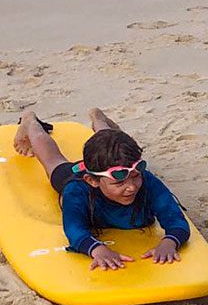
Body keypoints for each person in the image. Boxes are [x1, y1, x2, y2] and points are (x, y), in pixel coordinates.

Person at [13, 109, 190, 271]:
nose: (131, 187)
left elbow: (176, 220)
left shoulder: (147, 181)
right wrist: (97, 249)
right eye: (119, 184)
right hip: (77, 175)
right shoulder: (77, 190)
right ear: (92, 180)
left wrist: (170, 242)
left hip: (110, 167)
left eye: (136, 176)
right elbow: (74, 229)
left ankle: (98, 119)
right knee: (52, 161)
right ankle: (31, 123)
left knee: (112, 144)